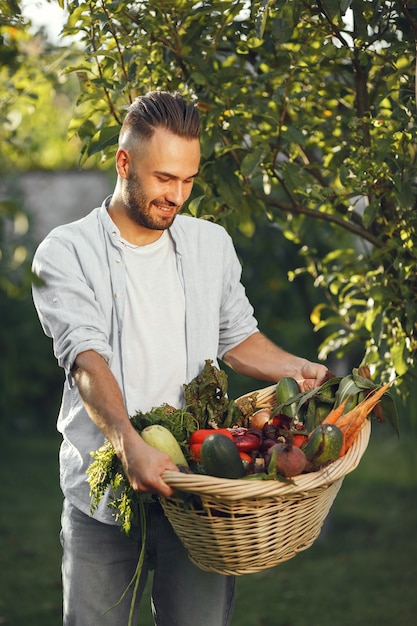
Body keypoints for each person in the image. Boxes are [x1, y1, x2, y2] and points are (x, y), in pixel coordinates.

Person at [32, 90, 332, 626]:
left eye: (188, 180)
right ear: (124, 162)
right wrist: (127, 444)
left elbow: (238, 339)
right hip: (101, 502)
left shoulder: (209, 245)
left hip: (201, 497)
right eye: (164, 178)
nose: (178, 196)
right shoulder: (65, 251)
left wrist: (295, 368)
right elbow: (85, 357)